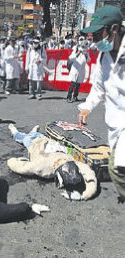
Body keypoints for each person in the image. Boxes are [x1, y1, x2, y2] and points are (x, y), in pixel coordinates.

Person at [78, 5, 125, 202]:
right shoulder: (103, 56)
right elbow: (98, 87)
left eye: (98, 34)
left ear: (114, 29)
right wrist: (87, 107)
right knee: (118, 169)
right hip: (115, 123)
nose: (94, 40)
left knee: (117, 168)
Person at [7, 124, 97, 201]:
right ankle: (33, 132)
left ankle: (14, 131)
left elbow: (19, 167)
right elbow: (89, 175)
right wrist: (87, 194)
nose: (63, 159)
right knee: (36, 134)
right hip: (45, 139)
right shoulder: (73, 162)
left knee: (21, 137)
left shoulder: (41, 166)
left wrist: (15, 161)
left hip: (33, 143)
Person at [67, 36, 91, 103]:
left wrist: (86, 55)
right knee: (72, 84)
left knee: (78, 85)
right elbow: (71, 58)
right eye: (81, 40)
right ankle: (69, 97)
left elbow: (89, 60)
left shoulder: (86, 50)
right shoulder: (76, 48)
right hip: (75, 69)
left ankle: (75, 96)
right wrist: (77, 53)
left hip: (81, 70)